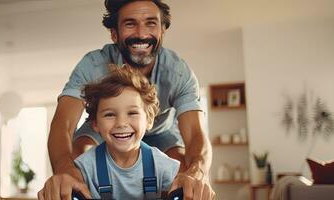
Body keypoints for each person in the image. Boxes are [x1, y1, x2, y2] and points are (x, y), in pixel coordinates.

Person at [39, 0, 215, 199]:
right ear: (115, 34)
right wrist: (65, 171)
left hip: (161, 130)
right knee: (78, 154)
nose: (141, 33)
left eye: (151, 23)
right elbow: (64, 123)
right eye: (130, 24)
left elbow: (195, 135)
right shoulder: (92, 65)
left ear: (162, 31)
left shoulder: (179, 73)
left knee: (183, 168)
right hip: (108, 123)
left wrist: (197, 173)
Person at [74, 66, 180, 199]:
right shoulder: (85, 167)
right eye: (110, 114)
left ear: (149, 120)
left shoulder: (163, 166)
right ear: (95, 124)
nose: (121, 123)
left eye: (132, 113)